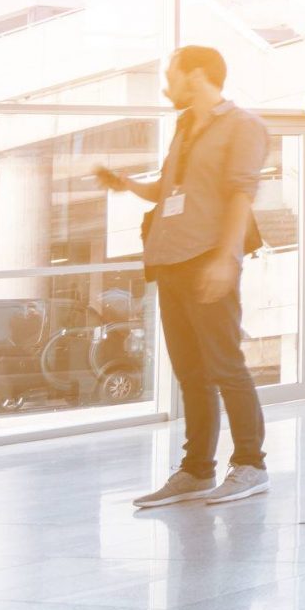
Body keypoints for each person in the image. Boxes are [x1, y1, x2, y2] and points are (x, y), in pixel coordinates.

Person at [97, 46, 272, 507]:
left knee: (225, 366)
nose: (165, 85)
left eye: (170, 75)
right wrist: (128, 184)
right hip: (170, 262)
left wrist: (227, 258)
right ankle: (197, 471)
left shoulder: (244, 126)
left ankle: (251, 465)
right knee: (191, 375)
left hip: (208, 260)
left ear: (196, 76)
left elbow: (240, 195)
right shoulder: (183, 127)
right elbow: (168, 189)